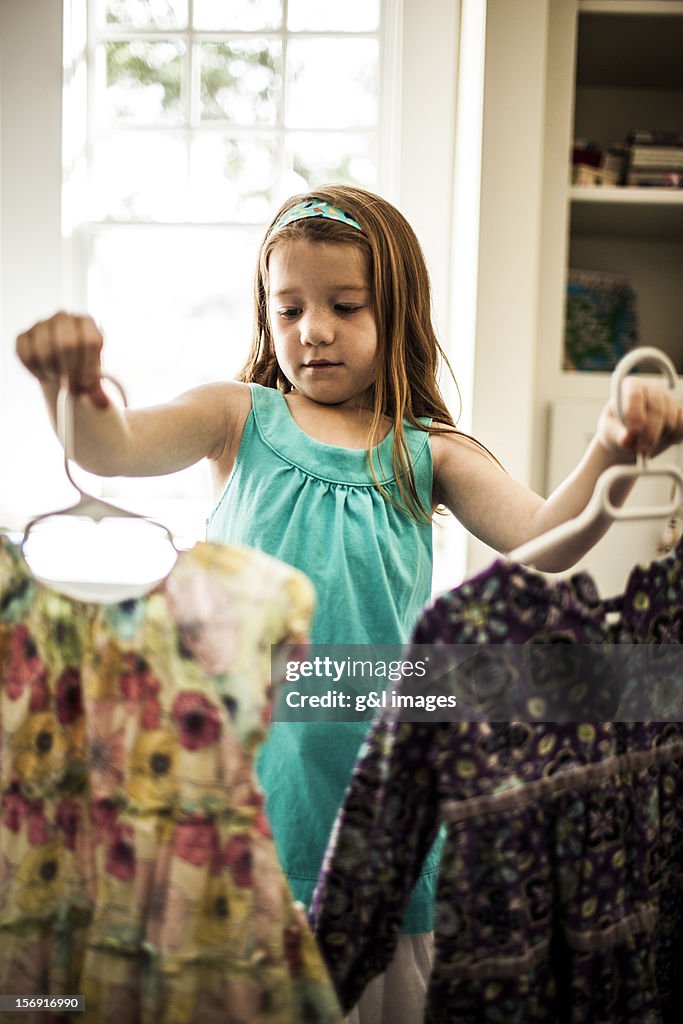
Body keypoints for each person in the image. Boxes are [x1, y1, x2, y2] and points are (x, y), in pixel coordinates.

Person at [15, 184, 683, 1024]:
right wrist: (68, 388)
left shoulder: (428, 451)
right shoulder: (235, 418)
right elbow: (106, 450)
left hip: (386, 824)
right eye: (288, 307)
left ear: (395, 311)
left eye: (344, 305)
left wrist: (613, 448)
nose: (312, 330)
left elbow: (547, 539)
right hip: (250, 811)